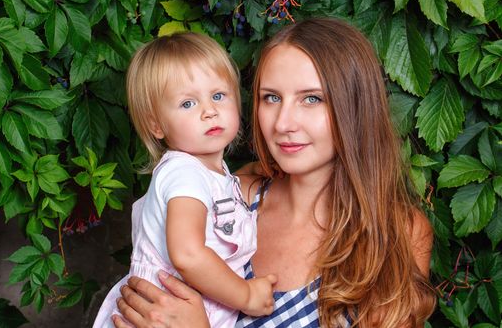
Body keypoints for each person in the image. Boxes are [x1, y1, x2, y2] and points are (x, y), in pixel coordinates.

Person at [111, 18, 436, 327]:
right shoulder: (233, 197)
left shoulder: (398, 233)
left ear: (354, 106)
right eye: (271, 98)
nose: (283, 124)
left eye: (311, 99)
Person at [93, 32, 277, 328]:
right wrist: (246, 295)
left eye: (218, 95)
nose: (209, 111)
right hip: (161, 313)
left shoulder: (212, 174)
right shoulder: (183, 174)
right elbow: (187, 255)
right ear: (156, 124)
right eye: (188, 104)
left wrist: (262, 167)